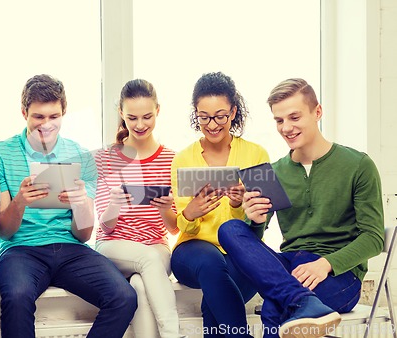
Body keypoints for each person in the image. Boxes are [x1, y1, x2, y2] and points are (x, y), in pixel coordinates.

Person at [218, 78, 385, 338]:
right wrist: (256, 219)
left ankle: (299, 300)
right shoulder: (271, 172)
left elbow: (373, 238)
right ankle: (302, 300)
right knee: (230, 229)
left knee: (275, 307)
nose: (286, 128)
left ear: (317, 112)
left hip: (340, 275)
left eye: (294, 117)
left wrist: (325, 264)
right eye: (279, 120)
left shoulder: (358, 165)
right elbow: (255, 242)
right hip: (291, 268)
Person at [0, 74, 137, 338]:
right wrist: (20, 201)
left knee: (124, 296)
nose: (46, 125)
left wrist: (80, 205)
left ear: (63, 113)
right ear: (24, 113)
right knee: (17, 297)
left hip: (70, 249)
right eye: (38, 117)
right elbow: (5, 232)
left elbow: (84, 234)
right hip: (21, 249)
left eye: (53, 117)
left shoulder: (80, 156)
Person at [170, 72, 270, 337]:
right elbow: (182, 224)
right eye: (204, 117)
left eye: (220, 116)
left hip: (240, 253)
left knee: (214, 305)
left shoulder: (256, 154)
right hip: (192, 253)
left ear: (234, 112)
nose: (212, 124)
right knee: (211, 263)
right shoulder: (183, 158)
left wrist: (240, 207)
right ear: (196, 114)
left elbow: (264, 221)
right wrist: (190, 214)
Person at [94, 79, 180, 338]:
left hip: (156, 245)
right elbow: (105, 225)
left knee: (140, 286)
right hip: (113, 244)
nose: (140, 125)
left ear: (158, 111)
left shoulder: (171, 159)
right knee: (147, 260)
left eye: (147, 117)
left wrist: (166, 207)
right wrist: (114, 205)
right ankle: (173, 335)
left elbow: (174, 228)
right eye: (132, 117)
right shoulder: (105, 158)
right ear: (121, 113)